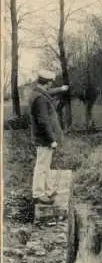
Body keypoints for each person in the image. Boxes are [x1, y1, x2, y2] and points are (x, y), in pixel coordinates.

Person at [28, 70, 68, 205]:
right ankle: (38, 194)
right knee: (41, 166)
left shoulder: (38, 93)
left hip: (43, 137)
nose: (51, 86)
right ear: (47, 83)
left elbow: (49, 93)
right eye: (50, 83)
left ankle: (47, 190)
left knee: (45, 165)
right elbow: (43, 121)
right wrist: (52, 140)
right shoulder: (40, 99)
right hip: (44, 138)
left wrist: (61, 89)